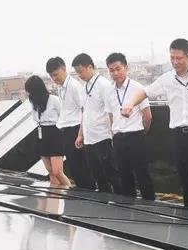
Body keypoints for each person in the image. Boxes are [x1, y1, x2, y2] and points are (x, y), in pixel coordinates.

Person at [121, 38, 188, 210]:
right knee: (186, 180)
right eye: (172, 58)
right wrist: (130, 104)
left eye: (179, 58)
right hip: (178, 136)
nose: (175, 62)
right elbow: (145, 92)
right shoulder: (167, 78)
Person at [105, 52, 155, 200]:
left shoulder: (137, 88)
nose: (115, 73)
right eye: (111, 70)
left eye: (118, 69)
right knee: (124, 175)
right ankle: (129, 207)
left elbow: (148, 116)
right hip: (119, 138)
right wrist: (114, 134)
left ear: (126, 68)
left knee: (142, 174)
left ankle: (150, 206)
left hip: (136, 136)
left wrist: (141, 133)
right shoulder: (109, 91)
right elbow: (111, 116)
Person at [72, 53, 118, 193]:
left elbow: (111, 112)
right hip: (89, 139)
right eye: (77, 72)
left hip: (103, 137)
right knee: (97, 174)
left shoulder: (103, 85)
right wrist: (80, 134)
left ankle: (120, 201)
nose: (79, 75)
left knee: (112, 174)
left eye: (81, 71)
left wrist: (114, 135)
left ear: (90, 67)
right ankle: (103, 201)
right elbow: (85, 113)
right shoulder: (84, 87)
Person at [46, 56, 93, 189]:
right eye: (51, 76)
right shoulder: (61, 88)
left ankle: (88, 192)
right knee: (74, 166)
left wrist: (80, 134)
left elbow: (84, 109)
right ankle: (82, 192)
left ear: (64, 69)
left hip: (75, 129)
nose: (54, 78)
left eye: (56, 74)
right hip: (66, 130)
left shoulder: (74, 86)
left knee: (81, 166)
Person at [24, 74, 70, 188]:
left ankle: (70, 192)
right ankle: (55, 195)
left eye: (31, 91)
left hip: (55, 133)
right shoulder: (33, 102)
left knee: (57, 171)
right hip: (41, 133)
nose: (29, 94)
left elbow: (63, 116)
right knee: (50, 171)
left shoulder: (53, 100)